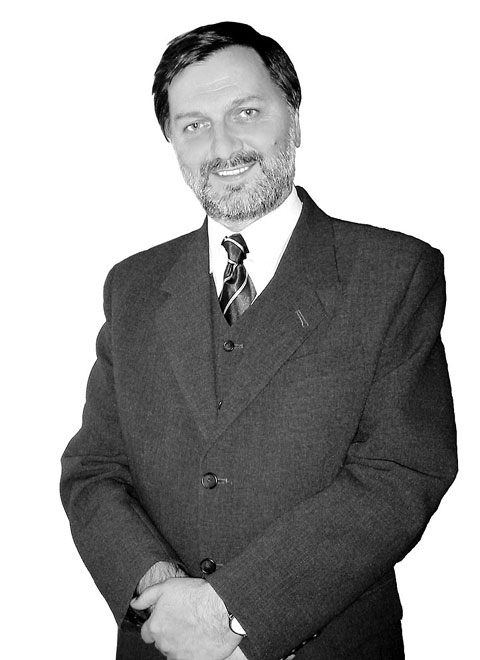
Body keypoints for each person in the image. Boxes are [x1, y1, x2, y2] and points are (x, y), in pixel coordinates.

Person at [60, 21, 457, 660]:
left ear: (293, 119)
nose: (223, 146)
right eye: (194, 125)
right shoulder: (131, 286)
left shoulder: (393, 273)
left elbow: (402, 469)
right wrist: (161, 591)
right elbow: (93, 469)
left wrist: (231, 610)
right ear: (171, 142)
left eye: (246, 112)